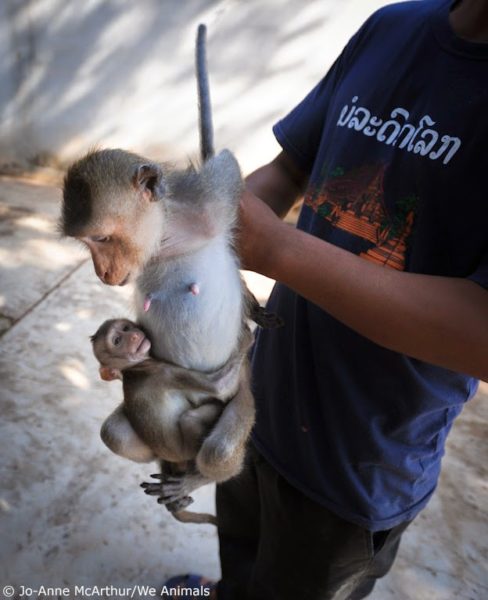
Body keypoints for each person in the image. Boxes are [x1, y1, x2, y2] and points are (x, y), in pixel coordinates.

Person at [166, 0, 488, 598]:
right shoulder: (393, 27)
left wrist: (277, 250)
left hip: (359, 463)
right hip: (261, 400)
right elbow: (290, 169)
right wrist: (198, 234)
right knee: (240, 554)